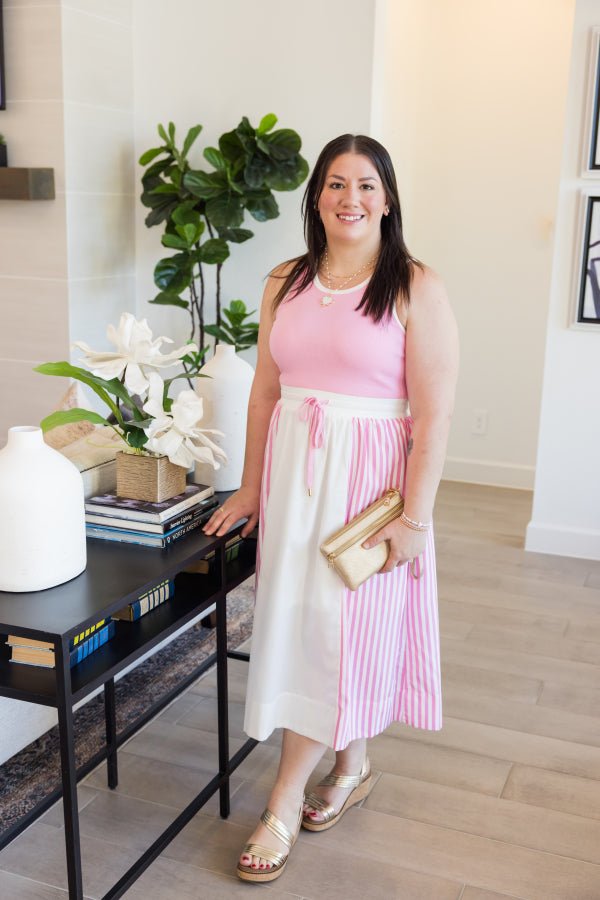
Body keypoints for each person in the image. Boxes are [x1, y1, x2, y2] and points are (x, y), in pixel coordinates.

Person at [202, 133, 459, 883]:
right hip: (295, 477)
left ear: (388, 199)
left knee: (335, 632)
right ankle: (352, 767)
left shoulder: (414, 285)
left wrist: (415, 519)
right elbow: (265, 393)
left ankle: (281, 802)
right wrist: (251, 486)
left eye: (367, 185)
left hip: (368, 490)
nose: (352, 198)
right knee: (311, 628)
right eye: (337, 183)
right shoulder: (285, 280)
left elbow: (434, 416)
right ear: (317, 196)